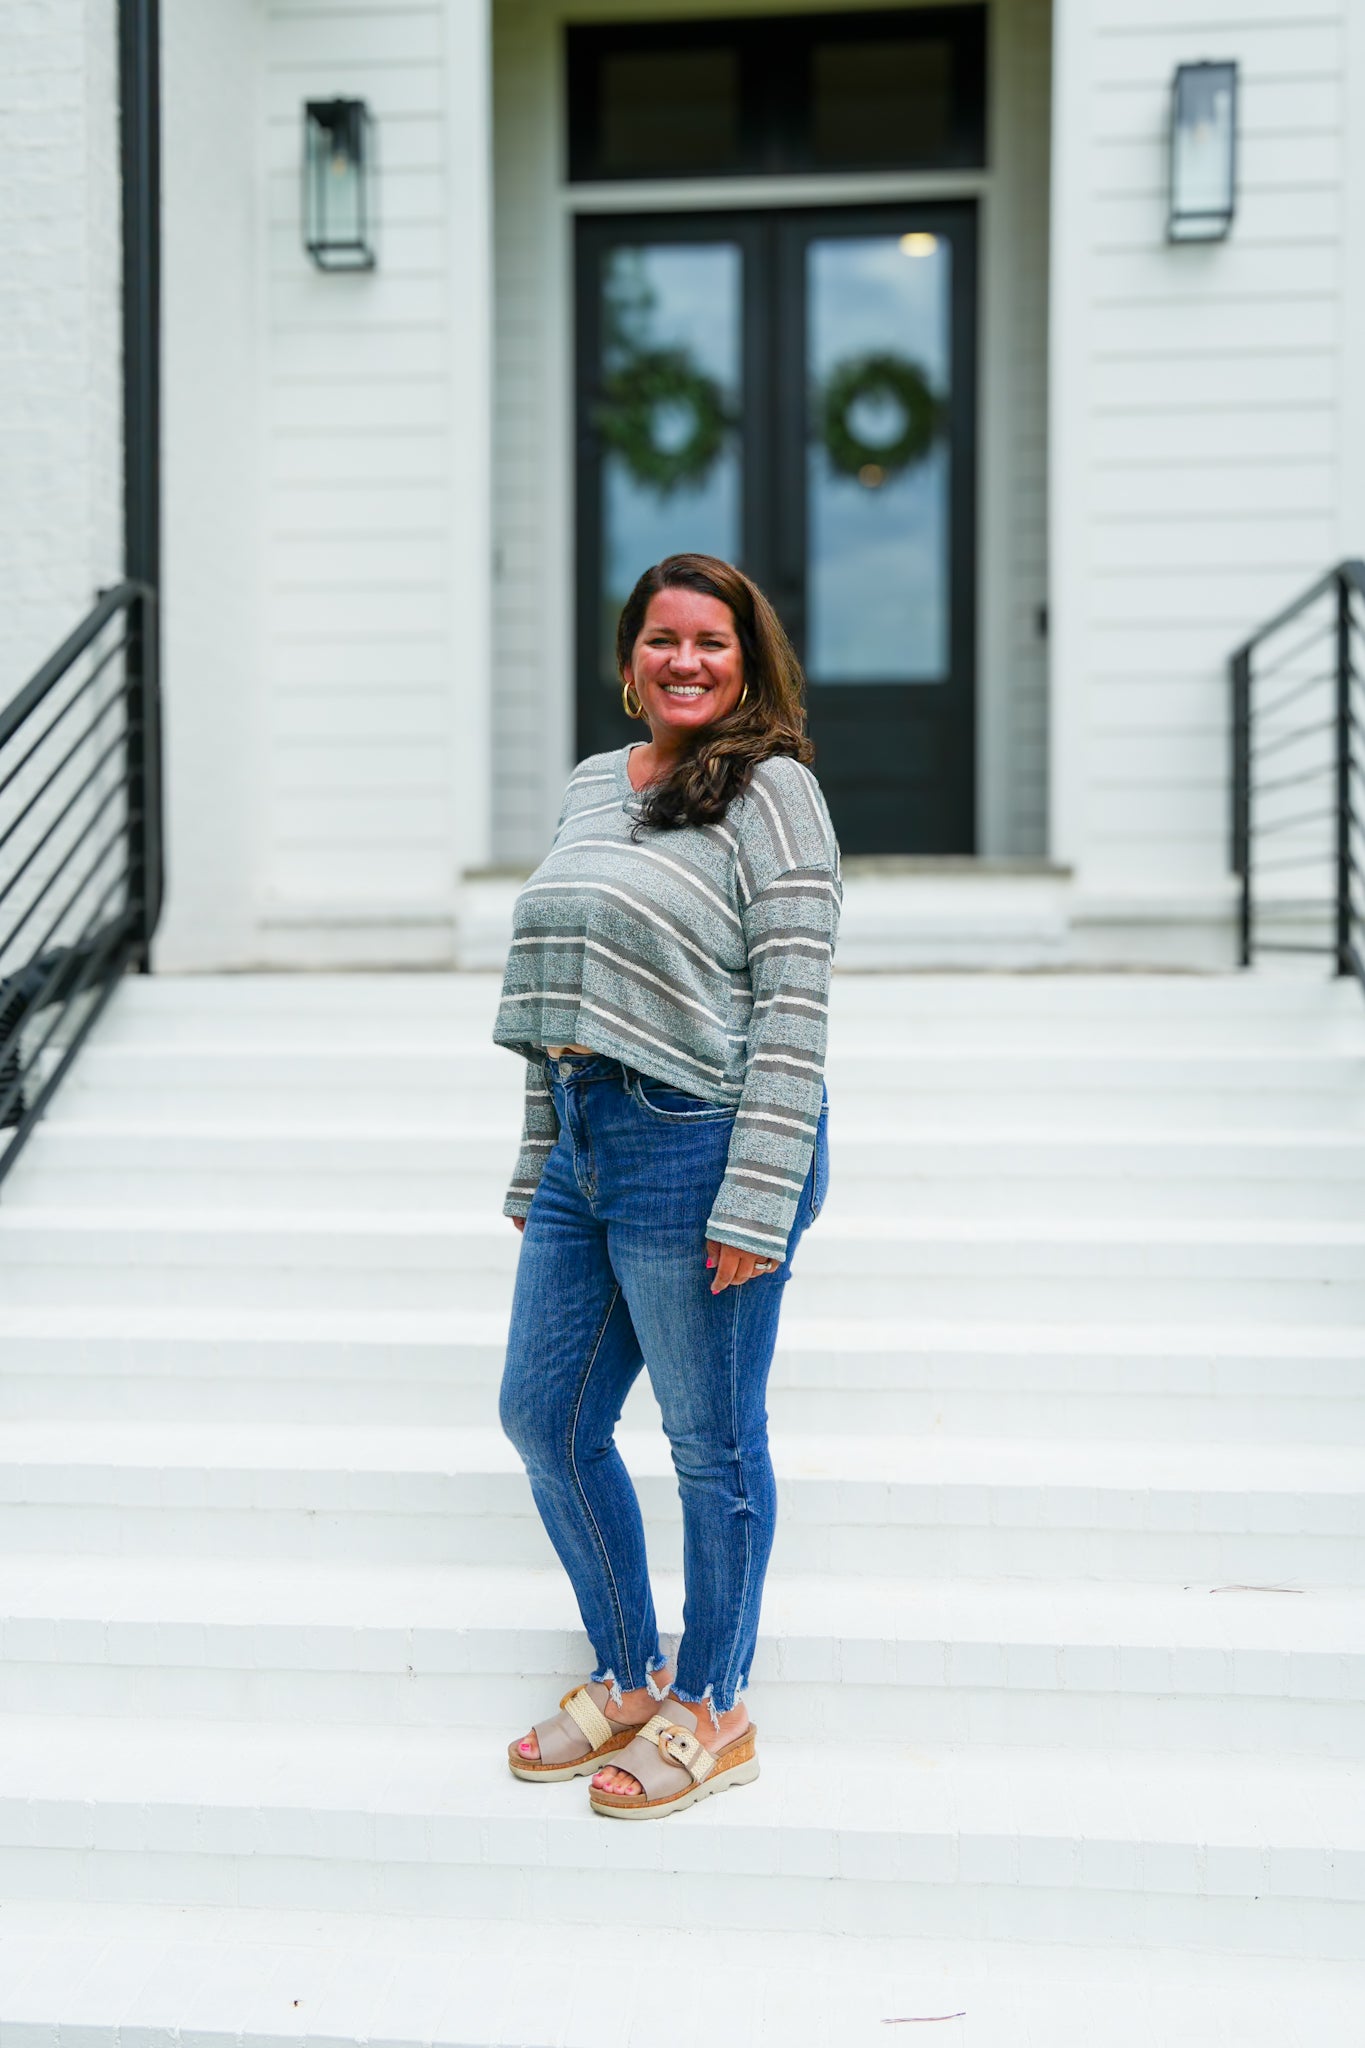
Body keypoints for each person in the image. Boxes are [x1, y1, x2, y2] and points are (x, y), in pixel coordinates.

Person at [493, 553, 841, 1819]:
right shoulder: (596, 784)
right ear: (629, 656)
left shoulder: (774, 792)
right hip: (589, 1140)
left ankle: (715, 1705)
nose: (684, 660)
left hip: (703, 1142)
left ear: (749, 661)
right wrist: (541, 1152)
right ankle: (631, 1670)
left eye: (712, 640)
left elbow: (795, 1004)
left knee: (712, 1442)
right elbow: (556, 986)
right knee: (546, 1415)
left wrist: (760, 1193)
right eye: (661, 638)